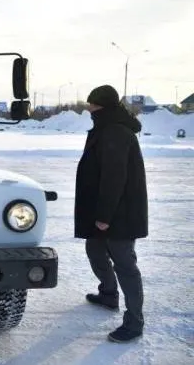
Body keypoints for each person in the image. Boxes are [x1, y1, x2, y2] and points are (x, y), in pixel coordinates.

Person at [75, 84, 148, 343]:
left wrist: (105, 216)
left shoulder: (116, 131)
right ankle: (108, 294)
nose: (89, 109)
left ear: (102, 106)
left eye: (92, 105)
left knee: (125, 264)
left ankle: (134, 322)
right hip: (103, 209)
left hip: (120, 212)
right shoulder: (105, 127)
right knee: (94, 249)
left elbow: (114, 178)